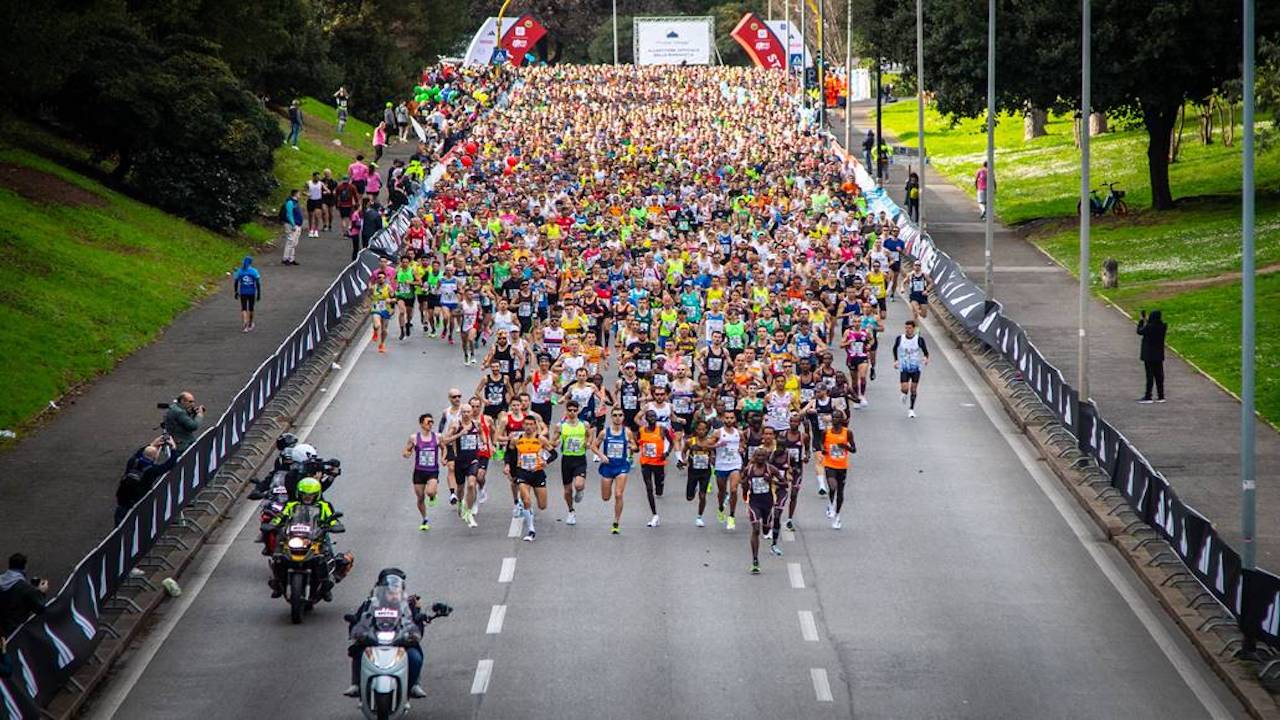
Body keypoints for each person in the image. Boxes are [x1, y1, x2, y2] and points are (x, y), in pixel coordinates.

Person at [343, 569, 444, 699]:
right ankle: (356, 684)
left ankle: (414, 685)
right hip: (374, 641)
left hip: (401, 642)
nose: (394, 595)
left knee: (415, 657)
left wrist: (419, 622)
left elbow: (416, 622)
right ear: (382, 590)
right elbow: (360, 620)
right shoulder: (369, 604)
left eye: (397, 591)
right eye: (390, 592)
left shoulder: (409, 604)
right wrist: (356, 625)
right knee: (359, 652)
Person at [115, 435, 178, 525]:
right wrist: (173, 448)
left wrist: (152, 444)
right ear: (155, 457)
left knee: (119, 525)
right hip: (139, 501)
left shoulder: (132, 462)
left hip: (123, 499)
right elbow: (169, 464)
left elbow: (138, 453)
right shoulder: (152, 470)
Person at [402, 414, 441, 531]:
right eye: (428, 422)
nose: (430, 424)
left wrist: (444, 457)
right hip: (419, 472)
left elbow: (444, 447)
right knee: (420, 498)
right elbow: (407, 449)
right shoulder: (414, 437)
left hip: (432, 471)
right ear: (421, 424)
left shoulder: (437, 437)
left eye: (432, 422)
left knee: (430, 492)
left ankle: (433, 495)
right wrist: (406, 453)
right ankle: (425, 519)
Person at [0, 553, 49, 636]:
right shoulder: (26, 589)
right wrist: (41, 592)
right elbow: (40, 609)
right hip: (14, 633)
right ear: (25, 567)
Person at [821, 411, 854, 529]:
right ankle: (830, 505)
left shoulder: (847, 433)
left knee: (840, 492)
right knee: (832, 486)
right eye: (833, 417)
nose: (834, 419)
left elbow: (854, 449)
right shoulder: (826, 432)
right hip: (829, 464)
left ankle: (838, 516)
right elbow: (821, 444)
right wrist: (823, 451)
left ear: (841, 419)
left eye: (837, 417)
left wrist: (845, 446)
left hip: (842, 465)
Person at [893, 320, 930, 418]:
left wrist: (926, 358)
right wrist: (896, 360)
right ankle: (904, 393)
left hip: (915, 367)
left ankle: (911, 409)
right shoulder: (900, 338)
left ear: (913, 328)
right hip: (904, 366)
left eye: (909, 328)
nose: (907, 330)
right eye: (906, 328)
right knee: (904, 388)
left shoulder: (919, 339)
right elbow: (894, 348)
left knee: (913, 389)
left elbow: (926, 352)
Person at [1137, 309, 1167, 403]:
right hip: (1159, 355)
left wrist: (1142, 321)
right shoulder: (1163, 326)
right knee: (1159, 376)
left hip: (1149, 355)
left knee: (1149, 376)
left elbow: (1139, 331)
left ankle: (1148, 396)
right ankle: (1161, 396)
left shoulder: (1149, 327)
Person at [232, 256, 262, 333]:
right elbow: (258, 283)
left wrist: (236, 292)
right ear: (251, 263)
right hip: (252, 292)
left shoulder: (240, 271)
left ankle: (245, 323)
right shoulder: (254, 271)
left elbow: (236, 282)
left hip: (243, 292)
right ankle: (250, 323)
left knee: (244, 308)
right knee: (251, 308)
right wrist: (259, 293)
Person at [280, 189, 304, 265]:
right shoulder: (290, 202)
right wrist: (293, 224)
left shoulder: (295, 202)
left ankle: (291, 258)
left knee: (294, 242)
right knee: (290, 241)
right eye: (299, 194)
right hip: (291, 225)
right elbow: (289, 214)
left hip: (297, 224)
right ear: (295, 194)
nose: (300, 195)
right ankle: (285, 258)